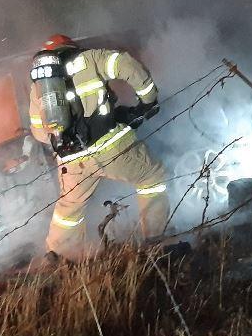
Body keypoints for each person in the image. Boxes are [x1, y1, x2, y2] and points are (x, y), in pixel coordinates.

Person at [27, 35, 167, 256]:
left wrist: (67, 138)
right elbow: (126, 65)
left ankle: (57, 257)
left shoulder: (40, 89)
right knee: (151, 175)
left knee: (69, 210)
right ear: (71, 47)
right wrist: (148, 98)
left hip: (71, 160)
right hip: (109, 146)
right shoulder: (90, 59)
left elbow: (39, 132)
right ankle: (155, 241)